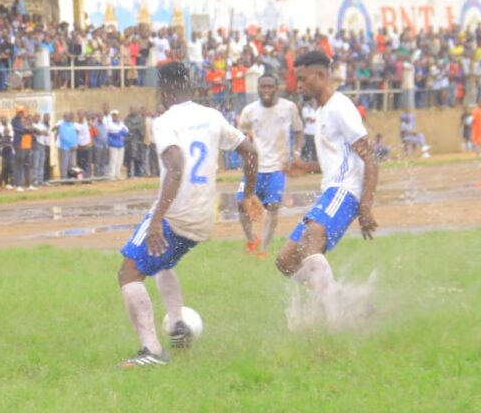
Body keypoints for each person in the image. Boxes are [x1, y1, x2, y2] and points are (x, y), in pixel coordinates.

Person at [117, 62, 259, 367]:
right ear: (190, 87)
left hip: (174, 216)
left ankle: (151, 352)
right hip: (204, 218)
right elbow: (250, 151)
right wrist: (247, 194)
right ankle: (178, 322)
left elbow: (177, 166)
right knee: (161, 262)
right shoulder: (211, 116)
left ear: (163, 90)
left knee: (128, 273)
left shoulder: (164, 121)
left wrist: (156, 221)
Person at [280, 50, 380, 329]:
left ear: (321, 76)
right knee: (286, 260)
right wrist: (308, 167)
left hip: (344, 192)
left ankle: (335, 325)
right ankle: (345, 296)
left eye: (302, 79)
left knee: (313, 237)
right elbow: (338, 160)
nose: (297, 86)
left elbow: (370, 157)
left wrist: (366, 206)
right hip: (331, 192)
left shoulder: (340, 107)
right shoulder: (321, 112)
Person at [237, 74, 303, 258]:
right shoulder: (249, 111)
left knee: (273, 206)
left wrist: (296, 154)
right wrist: (246, 155)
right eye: (262, 87)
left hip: (277, 168)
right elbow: (240, 136)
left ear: (277, 88)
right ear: (258, 88)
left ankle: (264, 249)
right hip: (255, 168)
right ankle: (252, 239)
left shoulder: (288, 108)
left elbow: (299, 131)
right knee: (241, 204)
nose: (266, 90)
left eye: (269, 87)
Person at [107, 110, 129, 179]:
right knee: (113, 160)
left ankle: (117, 174)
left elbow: (127, 131)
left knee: (120, 160)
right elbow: (115, 131)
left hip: (121, 144)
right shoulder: (109, 124)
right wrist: (121, 131)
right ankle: (112, 175)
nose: (115, 117)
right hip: (113, 145)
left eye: (116, 115)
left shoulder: (121, 123)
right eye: (113, 115)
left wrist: (121, 131)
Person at [57, 112, 77, 179]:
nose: (69, 117)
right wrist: (70, 145)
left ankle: (70, 177)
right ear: (64, 117)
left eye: (69, 116)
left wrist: (75, 144)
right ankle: (64, 178)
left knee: (71, 164)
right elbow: (63, 137)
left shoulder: (72, 125)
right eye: (67, 116)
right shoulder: (62, 126)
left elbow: (75, 135)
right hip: (65, 147)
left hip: (73, 148)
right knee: (64, 164)